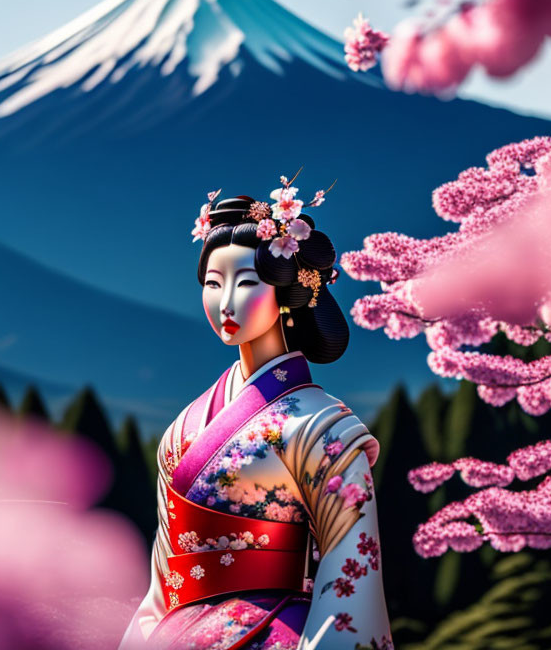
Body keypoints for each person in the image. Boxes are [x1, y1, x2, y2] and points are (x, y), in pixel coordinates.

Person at [119, 178, 393, 650]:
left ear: (284, 292)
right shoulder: (182, 430)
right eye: (212, 284)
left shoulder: (319, 426)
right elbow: (164, 577)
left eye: (246, 283)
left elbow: (351, 563)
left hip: (276, 633)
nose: (225, 303)